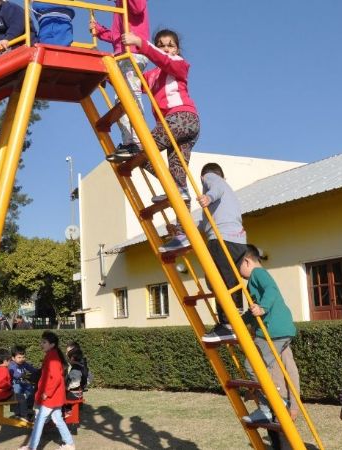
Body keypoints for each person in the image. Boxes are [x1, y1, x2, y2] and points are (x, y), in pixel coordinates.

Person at [117, 29, 200, 253]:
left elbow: (162, 59)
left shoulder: (179, 64)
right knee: (179, 179)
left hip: (182, 118)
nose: (166, 48)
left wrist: (140, 43)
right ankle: (184, 233)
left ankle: (173, 185)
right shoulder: (153, 75)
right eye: (161, 44)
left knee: (139, 149)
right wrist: (109, 77)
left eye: (170, 45)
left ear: (177, 49)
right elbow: (133, 82)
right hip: (175, 126)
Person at [236, 245, 300, 425]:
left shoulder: (258, 274)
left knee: (252, 366)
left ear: (247, 261)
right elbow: (253, 309)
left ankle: (274, 403)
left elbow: (271, 290)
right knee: (270, 368)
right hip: (279, 330)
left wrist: (263, 307)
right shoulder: (254, 280)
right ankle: (271, 406)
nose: (237, 272)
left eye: (237, 266)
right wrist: (240, 319)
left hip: (272, 332)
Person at [196, 163, 248, 344]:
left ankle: (227, 324)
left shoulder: (210, 178)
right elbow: (204, 224)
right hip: (238, 241)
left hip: (221, 238)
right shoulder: (229, 193)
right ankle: (235, 318)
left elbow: (215, 188)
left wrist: (208, 197)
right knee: (230, 281)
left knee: (216, 281)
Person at [90, 0, 150, 154]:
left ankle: (138, 139)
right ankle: (129, 141)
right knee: (121, 100)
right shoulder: (119, 7)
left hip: (134, 54)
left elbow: (138, 7)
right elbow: (117, 36)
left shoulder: (127, 4)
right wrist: (99, 30)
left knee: (132, 96)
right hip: (122, 57)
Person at [19, 331, 74, 450]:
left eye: (44, 342)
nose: (41, 344)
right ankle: (69, 444)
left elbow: (56, 378)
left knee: (39, 421)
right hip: (54, 396)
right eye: (41, 342)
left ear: (52, 344)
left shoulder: (52, 357)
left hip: (50, 397)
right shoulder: (52, 355)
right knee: (58, 419)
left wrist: (46, 393)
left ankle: (31, 447)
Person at [9, 346, 39, 420]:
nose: (22, 359)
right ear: (13, 358)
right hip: (15, 383)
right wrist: (22, 375)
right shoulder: (12, 365)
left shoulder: (24, 363)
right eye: (19, 357)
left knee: (30, 389)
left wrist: (39, 371)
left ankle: (29, 407)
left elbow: (32, 369)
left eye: (23, 357)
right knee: (17, 392)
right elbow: (15, 374)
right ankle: (17, 412)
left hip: (22, 382)